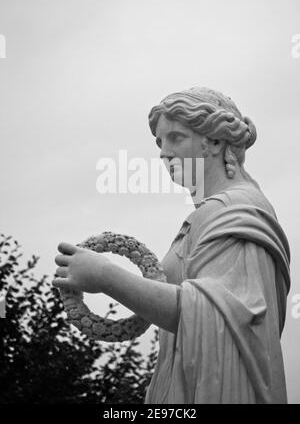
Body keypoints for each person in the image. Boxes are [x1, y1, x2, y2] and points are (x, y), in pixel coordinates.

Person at [52, 87, 291, 404]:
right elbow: (172, 298)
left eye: (176, 137)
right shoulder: (208, 214)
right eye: (159, 142)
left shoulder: (236, 211)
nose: (164, 152)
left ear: (216, 141)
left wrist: (106, 276)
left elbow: (216, 318)